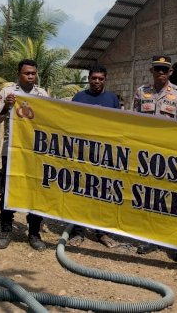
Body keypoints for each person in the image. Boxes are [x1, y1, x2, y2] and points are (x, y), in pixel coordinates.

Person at [132, 55, 177, 257]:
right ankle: (150, 238)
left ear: (171, 72)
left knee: (171, 197)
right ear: (151, 71)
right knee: (148, 196)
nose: (161, 73)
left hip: (170, 155)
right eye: (157, 69)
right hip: (147, 154)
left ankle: (172, 239)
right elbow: (134, 121)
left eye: (165, 69)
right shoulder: (141, 92)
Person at [0, 59, 49, 251]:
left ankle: (33, 233)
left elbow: (49, 121)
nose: (30, 77)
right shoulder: (7, 93)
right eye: (26, 73)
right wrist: (7, 107)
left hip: (35, 153)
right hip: (12, 150)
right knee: (7, 191)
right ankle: (6, 230)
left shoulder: (42, 95)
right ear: (19, 74)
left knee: (35, 192)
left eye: (33, 73)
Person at [67, 64, 121, 249]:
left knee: (103, 193)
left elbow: (118, 125)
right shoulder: (79, 97)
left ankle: (102, 233)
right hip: (83, 153)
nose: (97, 81)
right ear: (88, 79)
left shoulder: (112, 99)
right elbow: (70, 121)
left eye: (100, 78)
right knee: (80, 192)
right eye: (93, 78)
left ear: (105, 79)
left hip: (105, 154)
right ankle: (78, 232)